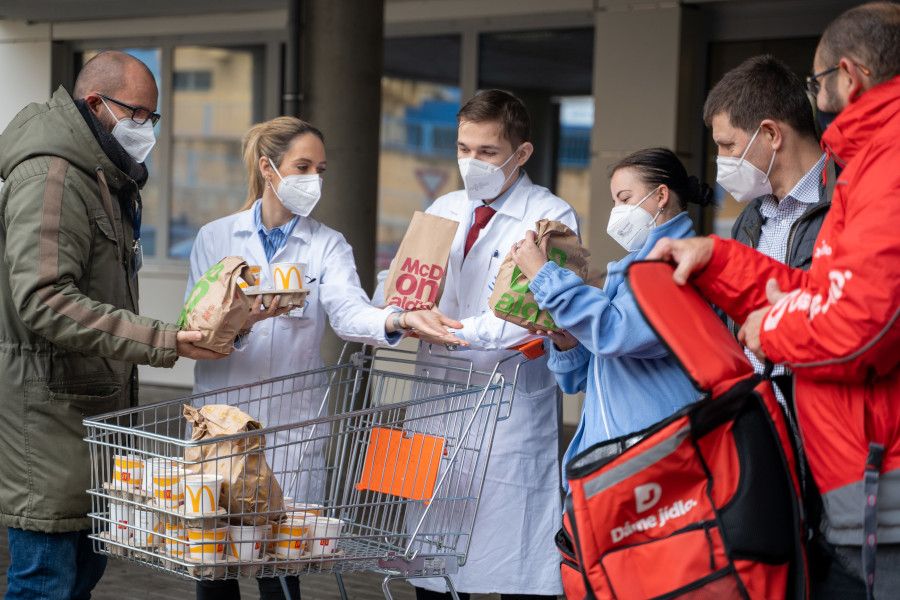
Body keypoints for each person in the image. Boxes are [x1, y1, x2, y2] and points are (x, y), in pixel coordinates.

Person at [648, 3, 900, 597]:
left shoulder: (882, 168)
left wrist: (770, 331)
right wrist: (717, 259)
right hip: (833, 461)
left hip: (874, 475)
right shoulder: (867, 168)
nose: (818, 97)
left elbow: (861, 322)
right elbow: (822, 294)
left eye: (819, 81)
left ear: (849, 75)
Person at [188, 116, 465, 600]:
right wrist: (245, 320)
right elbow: (196, 325)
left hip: (290, 428)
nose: (313, 179)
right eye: (302, 167)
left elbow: (349, 313)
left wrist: (397, 318)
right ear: (268, 168)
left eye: (320, 169)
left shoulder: (327, 244)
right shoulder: (215, 238)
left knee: (280, 568)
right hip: (221, 421)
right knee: (213, 563)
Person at [0, 51, 225, 600]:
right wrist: (162, 340)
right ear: (96, 104)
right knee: (46, 582)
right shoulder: (52, 176)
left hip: (88, 419)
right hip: (48, 420)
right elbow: (44, 299)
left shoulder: (103, 178)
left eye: (152, 116)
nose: (147, 128)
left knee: (80, 577)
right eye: (138, 114)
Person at [375, 89, 578, 600]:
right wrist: (399, 310)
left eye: (488, 152)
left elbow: (531, 315)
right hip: (434, 405)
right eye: (464, 149)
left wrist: (446, 329)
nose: (472, 163)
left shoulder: (551, 216)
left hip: (506, 409)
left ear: (522, 153)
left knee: (513, 563)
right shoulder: (443, 208)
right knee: (430, 559)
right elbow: (396, 286)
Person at [509, 148, 705, 480]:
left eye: (625, 199)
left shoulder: (678, 265)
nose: (616, 212)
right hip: (619, 457)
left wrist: (544, 275)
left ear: (661, 196)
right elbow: (596, 377)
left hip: (652, 460)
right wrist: (569, 344)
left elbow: (615, 333)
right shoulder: (632, 270)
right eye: (615, 202)